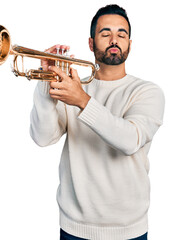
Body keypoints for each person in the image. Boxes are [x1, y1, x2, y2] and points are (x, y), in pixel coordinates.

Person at [30, 4, 165, 240]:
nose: (114, 40)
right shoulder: (73, 88)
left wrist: (82, 100)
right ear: (91, 43)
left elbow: (129, 140)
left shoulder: (147, 92)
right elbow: (42, 138)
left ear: (130, 44)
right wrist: (46, 83)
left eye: (121, 34)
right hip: (74, 228)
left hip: (129, 231)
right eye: (105, 34)